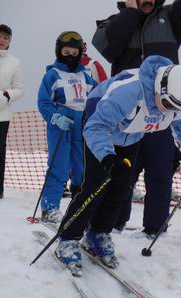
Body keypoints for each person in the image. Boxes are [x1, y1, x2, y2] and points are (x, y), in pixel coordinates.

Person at [54, 55, 181, 276]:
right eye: (166, 104)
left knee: (121, 188)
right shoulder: (128, 92)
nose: (168, 111)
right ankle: (68, 238)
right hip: (100, 126)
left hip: (132, 135)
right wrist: (107, 158)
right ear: (158, 88)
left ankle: (98, 233)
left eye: (174, 108)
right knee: (94, 187)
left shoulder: (175, 98)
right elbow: (96, 127)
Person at [92, 0, 181, 237]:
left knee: (160, 170)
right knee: (123, 174)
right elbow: (108, 49)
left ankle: (155, 227)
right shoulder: (111, 24)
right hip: (128, 112)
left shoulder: (171, 18)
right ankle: (112, 225)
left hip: (162, 106)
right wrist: (131, 11)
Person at [38, 31, 95, 223]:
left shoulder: (85, 76)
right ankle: (50, 208)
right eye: (66, 51)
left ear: (80, 53)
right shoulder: (52, 74)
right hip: (61, 123)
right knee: (59, 166)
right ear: (59, 51)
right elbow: (43, 102)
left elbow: (96, 95)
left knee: (82, 168)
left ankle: (79, 206)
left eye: (74, 51)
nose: (70, 55)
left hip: (82, 124)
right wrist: (55, 117)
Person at [62, 42, 108, 199]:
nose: (74, 53)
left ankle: (80, 182)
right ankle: (63, 181)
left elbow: (104, 85)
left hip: (88, 113)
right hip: (68, 112)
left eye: (78, 49)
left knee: (82, 150)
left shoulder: (93, 65)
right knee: (65, 148)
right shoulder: (63, 66)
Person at [0, 24, 24, 199]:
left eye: (6, 37)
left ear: (10, 41)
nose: (2, 40)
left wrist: (6, 96)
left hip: (2, 114)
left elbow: (20, 89)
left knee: (0, 152)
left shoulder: (14, 63)